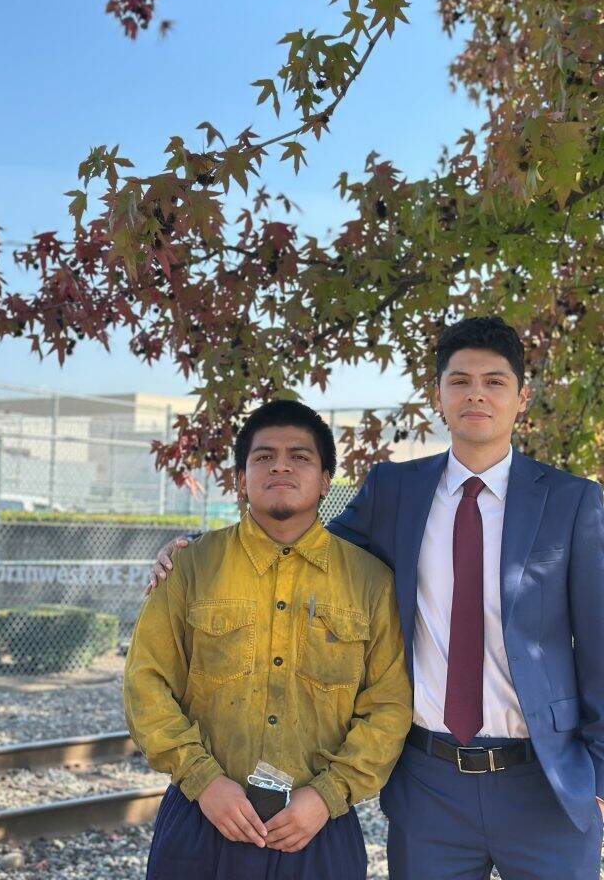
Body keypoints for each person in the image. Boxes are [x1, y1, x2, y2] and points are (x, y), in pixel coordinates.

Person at [150, 316, 604, 880]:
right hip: (431, 787)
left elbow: (600, 646)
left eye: (495, 381)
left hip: (545, 782)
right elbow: (306, 545)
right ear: (439, 397)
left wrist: (599, 778)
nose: (476, 394)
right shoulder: (396, 491)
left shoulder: (572, 501)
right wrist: (197, 549)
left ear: (521, 398)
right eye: (459, 381)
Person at [125, 400, 413, 880]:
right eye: (263, 457)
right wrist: (204, 779)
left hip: (318, 829)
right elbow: (145, 683)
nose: (280, 465)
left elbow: (389, 706)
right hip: (203, 821)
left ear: (325, 481)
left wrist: (328, 795)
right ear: (240, 478)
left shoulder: (370, 583)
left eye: (300, 456)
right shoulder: (192, 567)